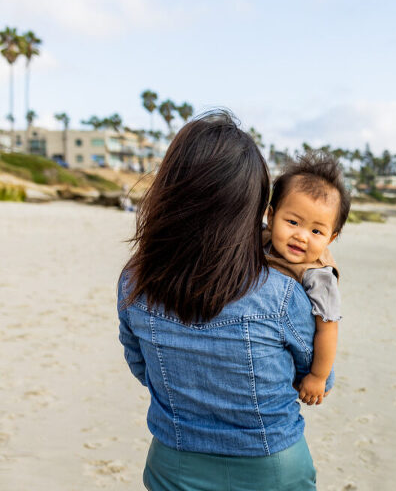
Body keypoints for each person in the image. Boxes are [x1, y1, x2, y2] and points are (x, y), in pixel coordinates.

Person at [117, 111, 327, 490]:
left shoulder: (136, 279)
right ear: (252, 208)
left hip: (175, 462)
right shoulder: (280, 293)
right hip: (271, 468)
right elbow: (318, 381)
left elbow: (140, 366)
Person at [264, 152, 350, 407]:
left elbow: (328, 327)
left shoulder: (319, 275)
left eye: (316, 231)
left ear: (330, 238)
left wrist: (318, 375)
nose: (301, 236)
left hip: (298, 353)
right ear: (271, 217)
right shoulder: (263, 239)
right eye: (292, 222)